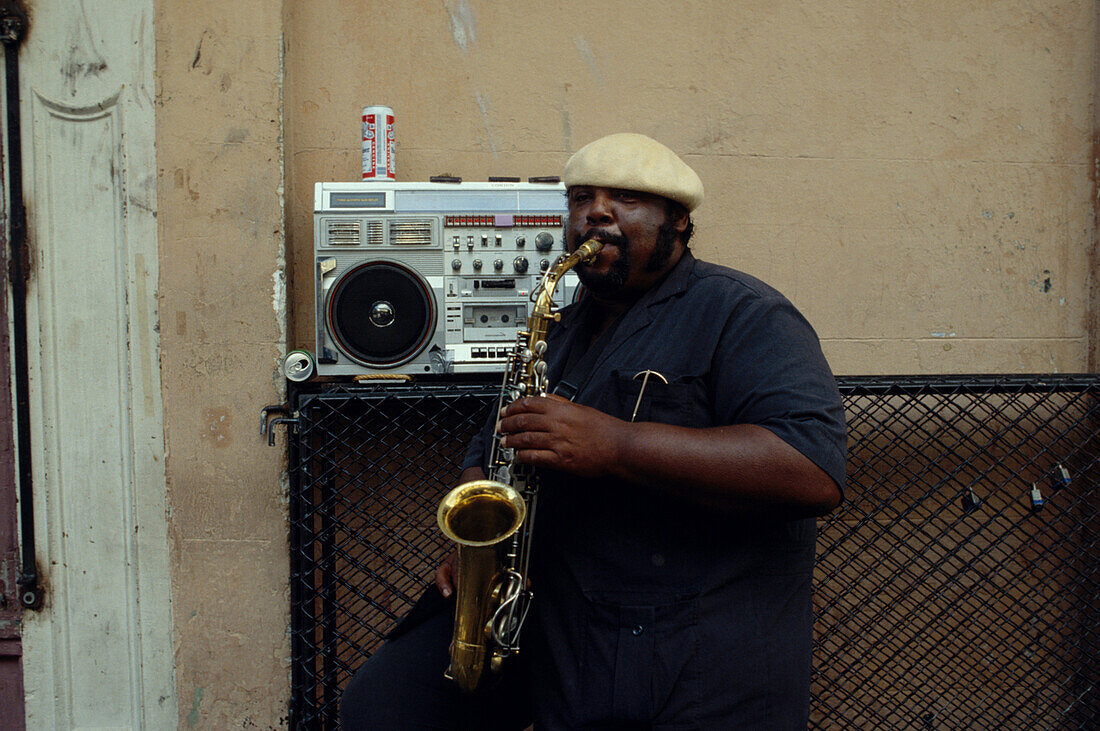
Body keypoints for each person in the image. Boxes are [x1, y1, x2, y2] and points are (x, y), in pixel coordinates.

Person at [340, 132, 847, 729]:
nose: (596, 213)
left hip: (692, 648)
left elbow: (812, 469)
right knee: (384, 708)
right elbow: (499, 440)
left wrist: (616, 445)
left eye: (626, 199)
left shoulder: (745, 313)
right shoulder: (559, 325)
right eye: (582, 199)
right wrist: (480, 532)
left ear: (678, 223)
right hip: (565, 627)